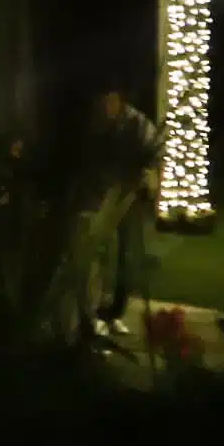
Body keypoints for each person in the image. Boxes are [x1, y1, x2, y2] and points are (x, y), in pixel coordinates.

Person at [88, 88, 162, 324]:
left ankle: (117, 306)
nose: (107, 106)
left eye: (111, 101)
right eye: (104, 102)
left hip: (130, 193)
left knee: (126, 250)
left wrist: (145, 178)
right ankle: (97, 301)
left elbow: (152, 151)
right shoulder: (102, 124)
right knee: (100, 246)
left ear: (120, 101)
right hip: (108, 191)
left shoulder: (137, 124)